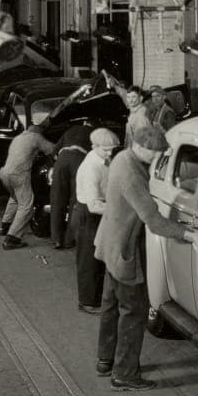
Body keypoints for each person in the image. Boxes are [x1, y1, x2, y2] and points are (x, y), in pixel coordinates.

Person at [94, 124, 198, 391]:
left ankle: (105, 360)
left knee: (110, 306)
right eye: (155, 155)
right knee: (133, 312)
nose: (157, 159)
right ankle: (125, 375)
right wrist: (189, 234)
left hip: (109, 243)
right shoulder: (132, 175)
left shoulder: (122, 158)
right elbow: (154, 221)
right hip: (124, 250)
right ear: (140, 147)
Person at [72, 127, 120, 314]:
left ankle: (95, 298)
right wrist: (118, 209)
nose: (110, 153)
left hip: (97, 212)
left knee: (97, 259)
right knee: (89, 261)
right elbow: (93, 205)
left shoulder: (102, 159)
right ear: (94, 146)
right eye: (106, 149)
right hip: (88, 215)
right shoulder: (91, 167)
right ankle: (87, 302)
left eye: (112, 149)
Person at [0, 123, 57, 250]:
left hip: (4, 173)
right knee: (26, 206)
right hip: (18, 175)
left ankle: (4, 226)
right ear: (39, 132)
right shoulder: (35, 137)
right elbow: (52, 149)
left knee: (15, 198)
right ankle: (12, 239)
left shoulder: (18, 138)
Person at [49, 122, 93, 249]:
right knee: (75, 201)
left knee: (57, 199)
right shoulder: (94, 132)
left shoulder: (71, 129)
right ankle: (69, 240)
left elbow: (54, 151)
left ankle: (56, 239)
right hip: (79, 161)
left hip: (62, 159)